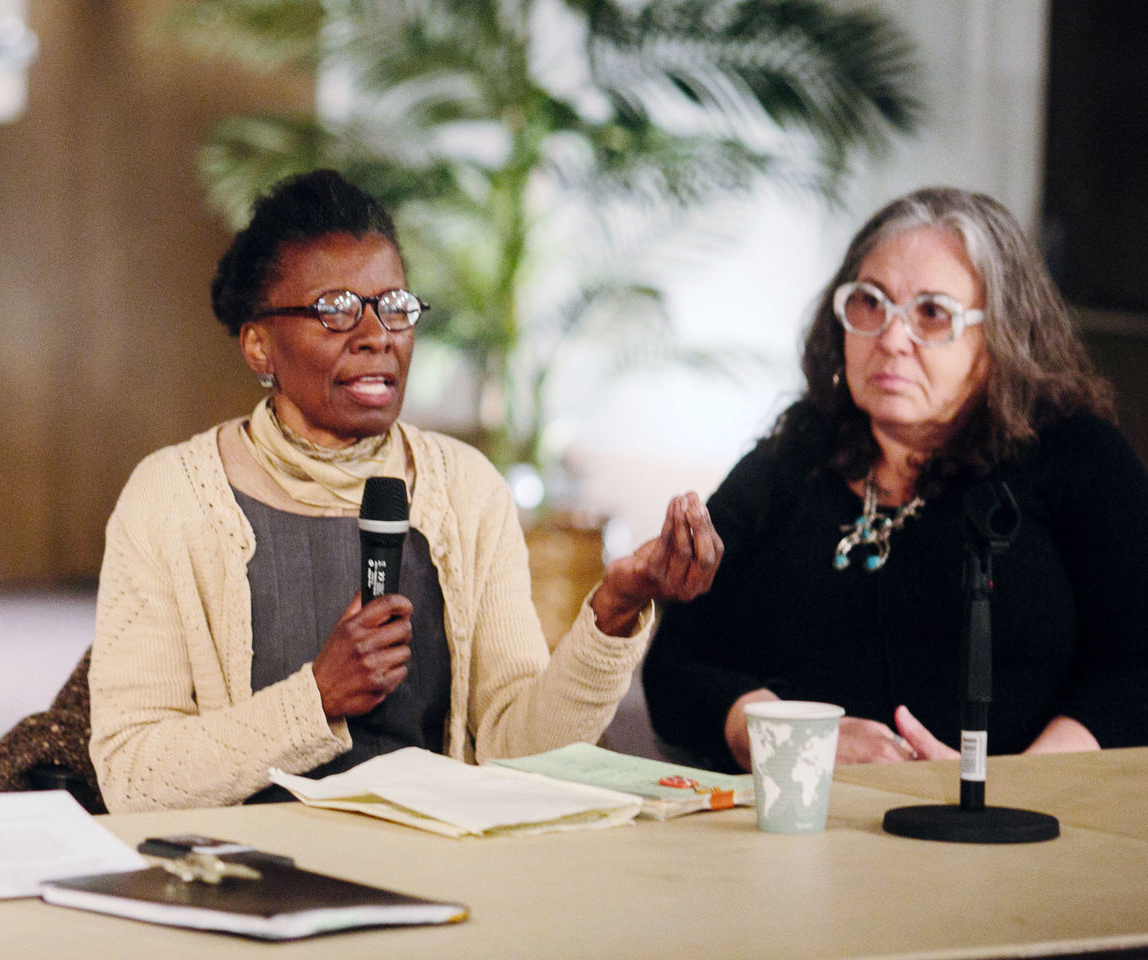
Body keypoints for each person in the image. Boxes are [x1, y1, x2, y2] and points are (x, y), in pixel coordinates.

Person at [89, 169, 722, 812]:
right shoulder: (172, 497)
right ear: (259, 345)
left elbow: (524, 754)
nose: (377, 336)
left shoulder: (466, 489)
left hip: (435, 873)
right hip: (254, 874)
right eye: (335, 311)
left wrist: (614, 609)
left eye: (394, 307)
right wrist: (316, 697)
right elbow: (133, 779)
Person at [643, 186, 1148, 774]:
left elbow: (1138, 670)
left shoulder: (1075, 456)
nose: (891, 339)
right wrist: (783, 738)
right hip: (801, 837)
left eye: (933, 314)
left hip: (1021, 842)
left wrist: (1014, 787)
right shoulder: (790, 460)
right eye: (870, 304)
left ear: (1003, 335)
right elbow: (676, 666)